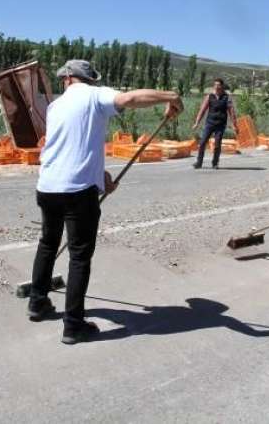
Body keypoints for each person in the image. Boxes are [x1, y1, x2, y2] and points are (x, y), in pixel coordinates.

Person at [28, 59, 183, 344]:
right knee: (79, 257)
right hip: (77, 193)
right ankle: (73, 325)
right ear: (88, 79)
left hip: (47, 186)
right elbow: (131, 98)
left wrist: (101, 177)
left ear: (67, 79)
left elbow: (71, 147)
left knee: (48, 243)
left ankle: (37, 302)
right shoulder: (94, 95)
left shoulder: (56, 106)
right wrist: (170, 96)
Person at [192, 78, 238, 169]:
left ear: (222, 86)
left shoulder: (227, 97)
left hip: (220, 125)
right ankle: (199, 162)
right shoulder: (209, 96)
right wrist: (197, 123)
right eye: (215, 85)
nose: (216, 87)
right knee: (202, 142)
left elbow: (231, 112)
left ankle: (215, 163)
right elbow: (202, 110)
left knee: (217, 144)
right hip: (209, 123)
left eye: (218, 85)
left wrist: (234, 125)